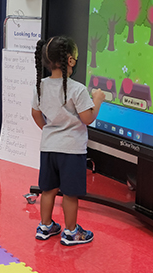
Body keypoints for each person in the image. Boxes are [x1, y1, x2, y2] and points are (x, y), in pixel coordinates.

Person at [31, 36, 105, 246]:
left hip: (48, 147)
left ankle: (45, 226)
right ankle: (71, 232)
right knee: (70, 194)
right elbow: (87, 118)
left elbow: (35, 114)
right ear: (70, 60)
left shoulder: (41, 86)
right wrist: (98, 100)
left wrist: (48, 130)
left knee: (48, 189)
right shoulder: (77, 89)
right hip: (71, 149)